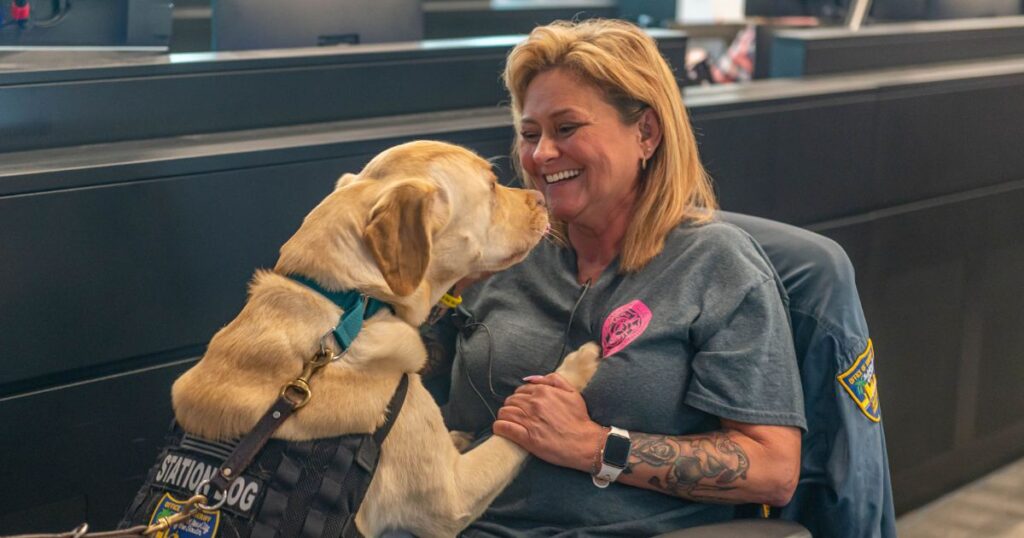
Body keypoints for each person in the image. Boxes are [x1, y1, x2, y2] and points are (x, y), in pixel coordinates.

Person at [429, 19, 807, 536]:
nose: (541, 156)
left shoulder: (717, 265)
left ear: (646, 133)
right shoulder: (497, 256)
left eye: (566, 129)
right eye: (530, 134)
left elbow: (773, 469)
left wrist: (593, 445)